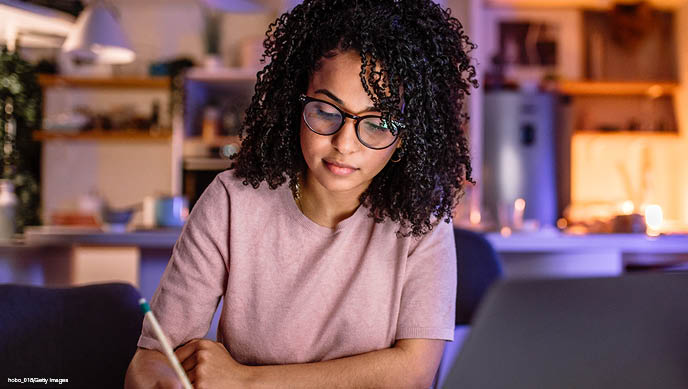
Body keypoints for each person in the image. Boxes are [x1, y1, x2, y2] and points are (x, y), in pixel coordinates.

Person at [124, 0, 477, 387]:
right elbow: (153, 358)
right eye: (326, 111)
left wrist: (246, 382)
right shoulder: (232, 202)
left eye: (378, 123)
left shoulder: (422, 220)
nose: (344, 143)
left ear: (407, 136)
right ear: (295, 102)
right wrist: (163, 378)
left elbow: (413, 372)